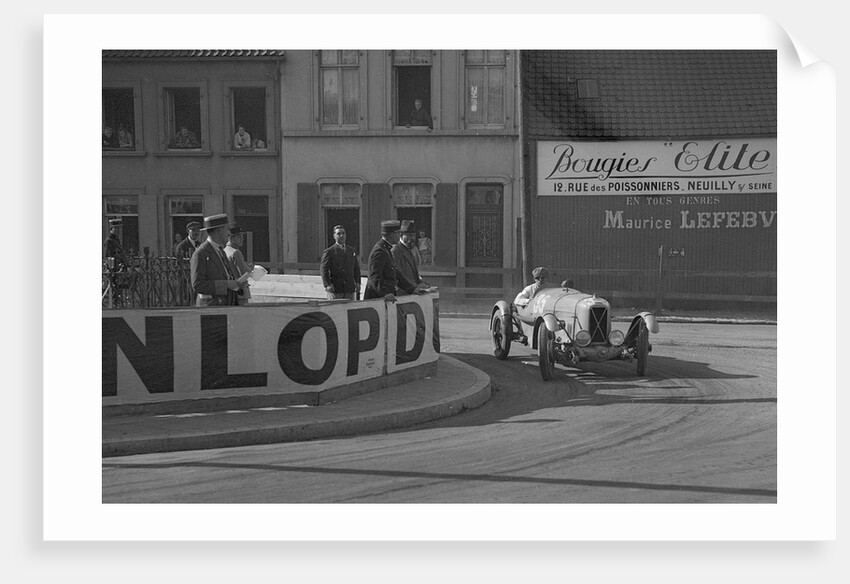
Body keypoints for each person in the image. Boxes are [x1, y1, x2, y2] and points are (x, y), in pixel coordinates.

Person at [190, 213, 249, 306]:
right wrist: (226, 285)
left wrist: (236, 283)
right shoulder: (200, 253)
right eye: (226, 229)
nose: (229, 233)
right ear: (219, 231)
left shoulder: (220, 251)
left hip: (226, 306)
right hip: (212, 309)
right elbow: (197, 285)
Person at [363, 220, 415, 300]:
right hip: (377, 299)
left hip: (387, 298)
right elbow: (375, 277)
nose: (399, 236)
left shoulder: (387, 249)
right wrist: (385, 293)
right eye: (398, 233)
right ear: (392, 234)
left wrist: (412, 289)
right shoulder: (379, 251)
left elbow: (396, 274)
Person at [320, 224, 361, 300]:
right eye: (338, 234)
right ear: (334, 236)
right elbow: (324, 270)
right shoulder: (329, 251)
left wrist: (358, 282)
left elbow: (356, 268)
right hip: (336, 289)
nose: (341, 235)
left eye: (343, 233)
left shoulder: (351, 251)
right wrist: (328, 284)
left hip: (349, 289)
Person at [391, 220, 429, 296]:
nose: (412, 238)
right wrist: (414, 287)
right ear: (401, 235)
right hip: (402, 294)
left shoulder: (410, 249)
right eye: (409, 235)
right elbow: (399, 275)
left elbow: (414, 273)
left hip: (412, 293)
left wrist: (420, 282)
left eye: (414, 235)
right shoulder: (395, 250)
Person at [224, 225, 253, 305]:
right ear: (231, 238)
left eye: (242, 236)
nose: (242, 239)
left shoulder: (224, 251)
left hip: (230, 291)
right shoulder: (236, 252)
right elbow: (243, 274)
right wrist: (250, 271)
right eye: (238, 236)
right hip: (241, 291)